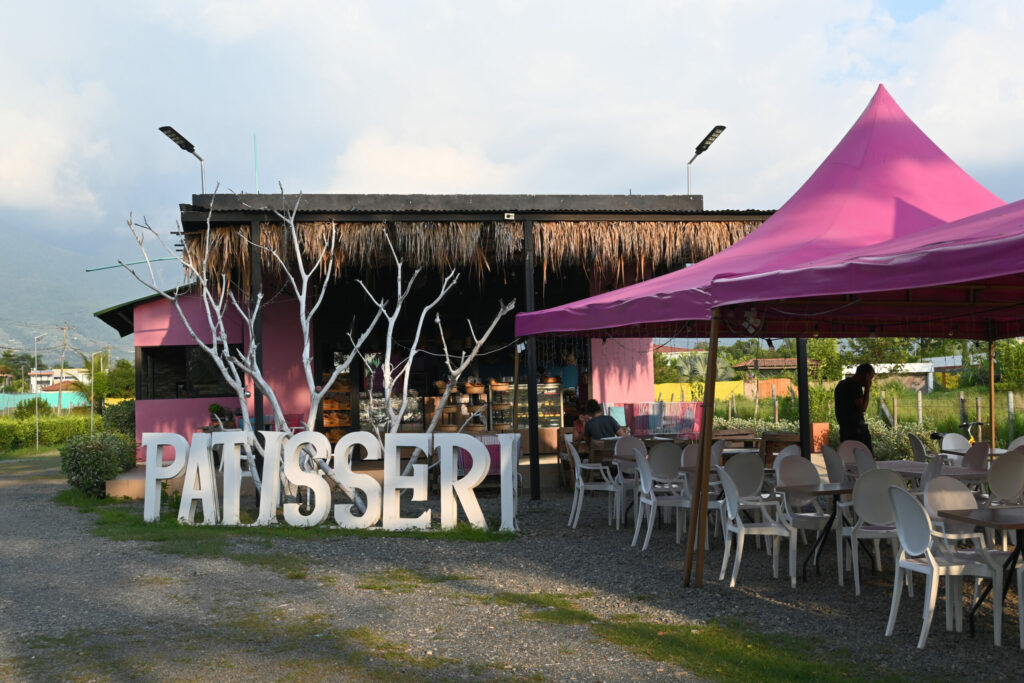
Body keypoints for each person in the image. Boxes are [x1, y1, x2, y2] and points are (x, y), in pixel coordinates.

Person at [834, 363, 875, 452]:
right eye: (870, 378)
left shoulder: (841, 384)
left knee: (849, 459)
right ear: (866, 376)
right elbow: (863, 407)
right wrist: (867, 388)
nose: (871, 381)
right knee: (866, 459)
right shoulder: (854, 386)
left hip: (845, 430)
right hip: (857, 431)